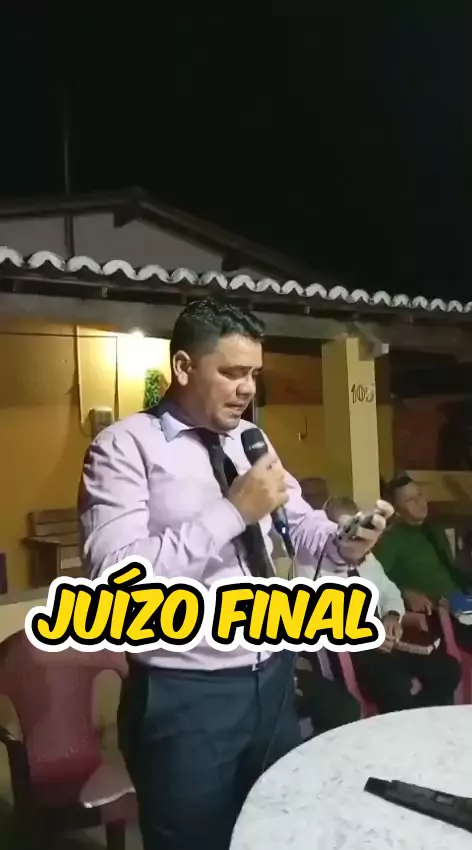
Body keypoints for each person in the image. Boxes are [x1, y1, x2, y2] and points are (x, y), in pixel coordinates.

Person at [78, 298, 391, 850]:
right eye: (231, 372)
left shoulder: (251, 441)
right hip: (186, 694)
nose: (247, 388)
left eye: (254, 374)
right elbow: (115, 578)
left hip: (272, 679)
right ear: (183, 367)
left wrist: (346, 541)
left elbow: (301, 528)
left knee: (272, 830)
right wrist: (231, 513)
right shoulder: (124, 447)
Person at [324, 496, 461, 713]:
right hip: (355, 651)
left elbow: (391, 593)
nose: (353, 535)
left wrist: (392, 616)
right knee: (395, 683)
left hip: (388, 642)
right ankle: (406, 724)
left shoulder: (368, 560)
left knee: (448, 669)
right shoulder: (314, 566)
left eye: (355, 526)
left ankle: (420, 718)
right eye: (344, 528)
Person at [374, 473, 472, 650]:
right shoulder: (390, 540)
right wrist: (404, 593)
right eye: (410, 500)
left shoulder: (433, 529)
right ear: (396, 509)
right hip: (437, 617)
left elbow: (451, 570)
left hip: (462, 605)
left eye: (419, 494)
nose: (420, 502)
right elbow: (373, 580)